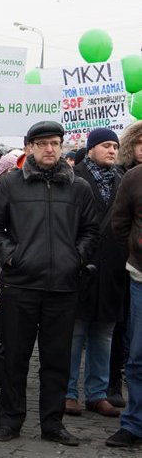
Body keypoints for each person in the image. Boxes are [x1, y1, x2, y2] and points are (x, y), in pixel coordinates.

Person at [0, 120, 99, 446]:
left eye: (55, 143)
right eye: (43, 143)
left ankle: (53, 424)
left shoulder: (78, 187)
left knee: (57, 361)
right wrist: (12, 257)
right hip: (20, 286)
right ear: (30, 147)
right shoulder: (11, 184)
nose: (50, 149)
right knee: (14, 359)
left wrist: (75, 258)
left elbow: (91, 231)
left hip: (63, 287)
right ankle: (9, 421)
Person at [64, 128, 127, 418]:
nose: (112, 150)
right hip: (81, 266)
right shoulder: (73, 178)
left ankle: (97, 394)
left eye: (115, 146)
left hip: (113, 268)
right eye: (105, 145)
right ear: (90, 149)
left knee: (104, 336)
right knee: (74, 334)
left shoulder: (122, 179)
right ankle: (67, 392)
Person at [107, 155, 142, 447]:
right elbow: (119, 224)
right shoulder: (135, 177)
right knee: (138, 357)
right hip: (141, 278)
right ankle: (134, 424)